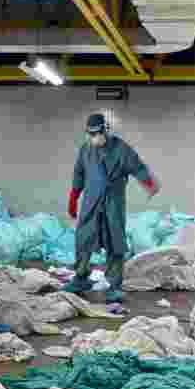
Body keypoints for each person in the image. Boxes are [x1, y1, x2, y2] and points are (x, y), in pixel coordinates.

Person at [63, 113, 159, 302]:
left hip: (113, 201)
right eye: (91, 134)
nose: (94, 137)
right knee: (83, 237)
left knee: (115, 241)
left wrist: (147, 182)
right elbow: (79, 173)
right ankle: (80, 277)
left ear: (105, 130)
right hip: (91, 201)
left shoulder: (120, 148)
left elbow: (137, 165)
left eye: (97, 133)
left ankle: (114, 285)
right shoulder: (85, 150)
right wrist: (74, 197)